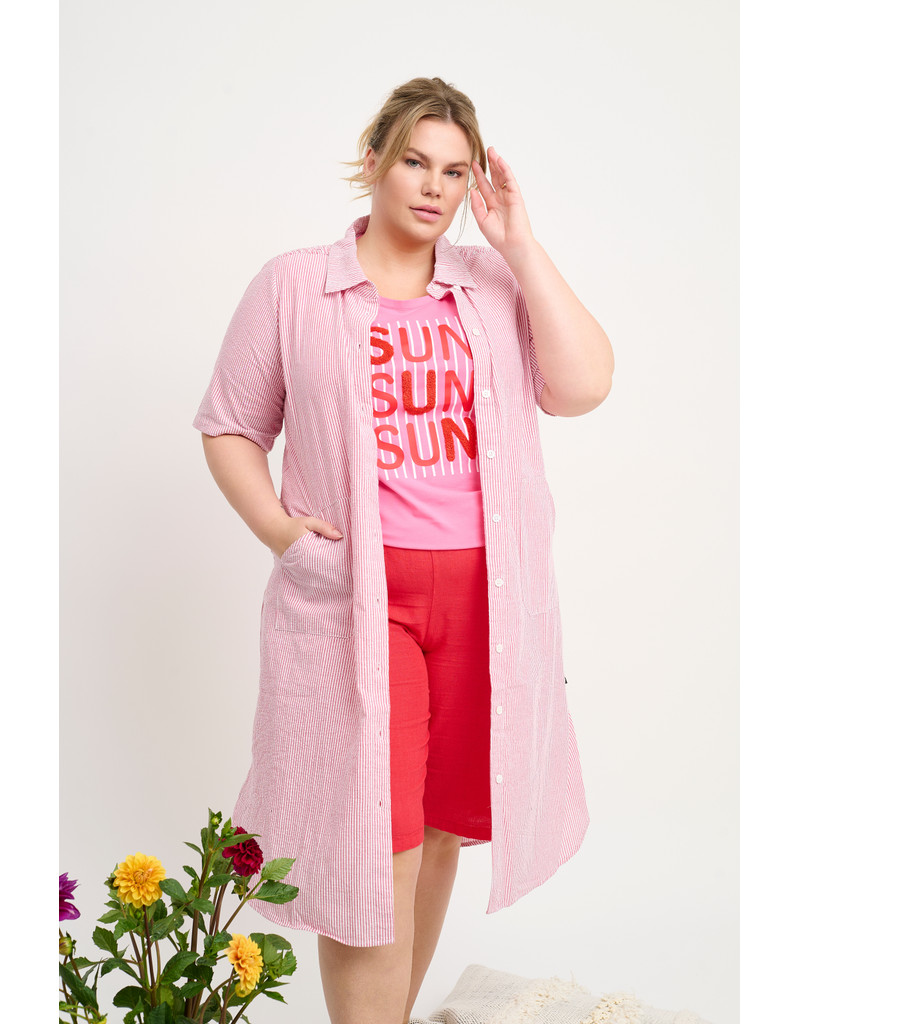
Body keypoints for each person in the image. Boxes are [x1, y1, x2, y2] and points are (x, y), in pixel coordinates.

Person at [194, 77, 613, 1024]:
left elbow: (584, 385)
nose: (433, 187)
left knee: (439, 831)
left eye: (455, 172)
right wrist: (281, 533)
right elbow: (229, 425)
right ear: (375, 159)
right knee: (369, 844)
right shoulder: (296, 285)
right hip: (358, 596)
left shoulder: (491, 284)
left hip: (484, 596)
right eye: (416, 162)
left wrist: (520, 244)